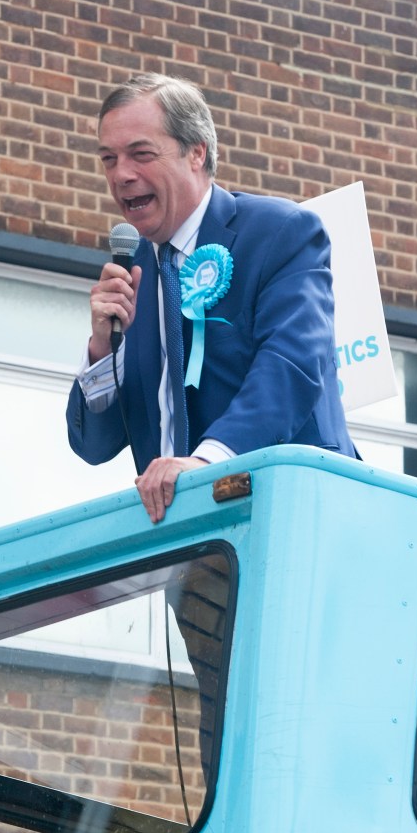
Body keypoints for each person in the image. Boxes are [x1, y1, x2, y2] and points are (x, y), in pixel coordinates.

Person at [67, 73, 356, 523]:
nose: (121, 175)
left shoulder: (280, 233)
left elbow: (292, 362)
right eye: (109, 158)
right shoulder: (133, 272)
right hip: (195, 551)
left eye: (141, 154)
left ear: (196, 151)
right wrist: (103, 350)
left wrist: (207, 462)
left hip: (301, 518)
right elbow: (95, 445)